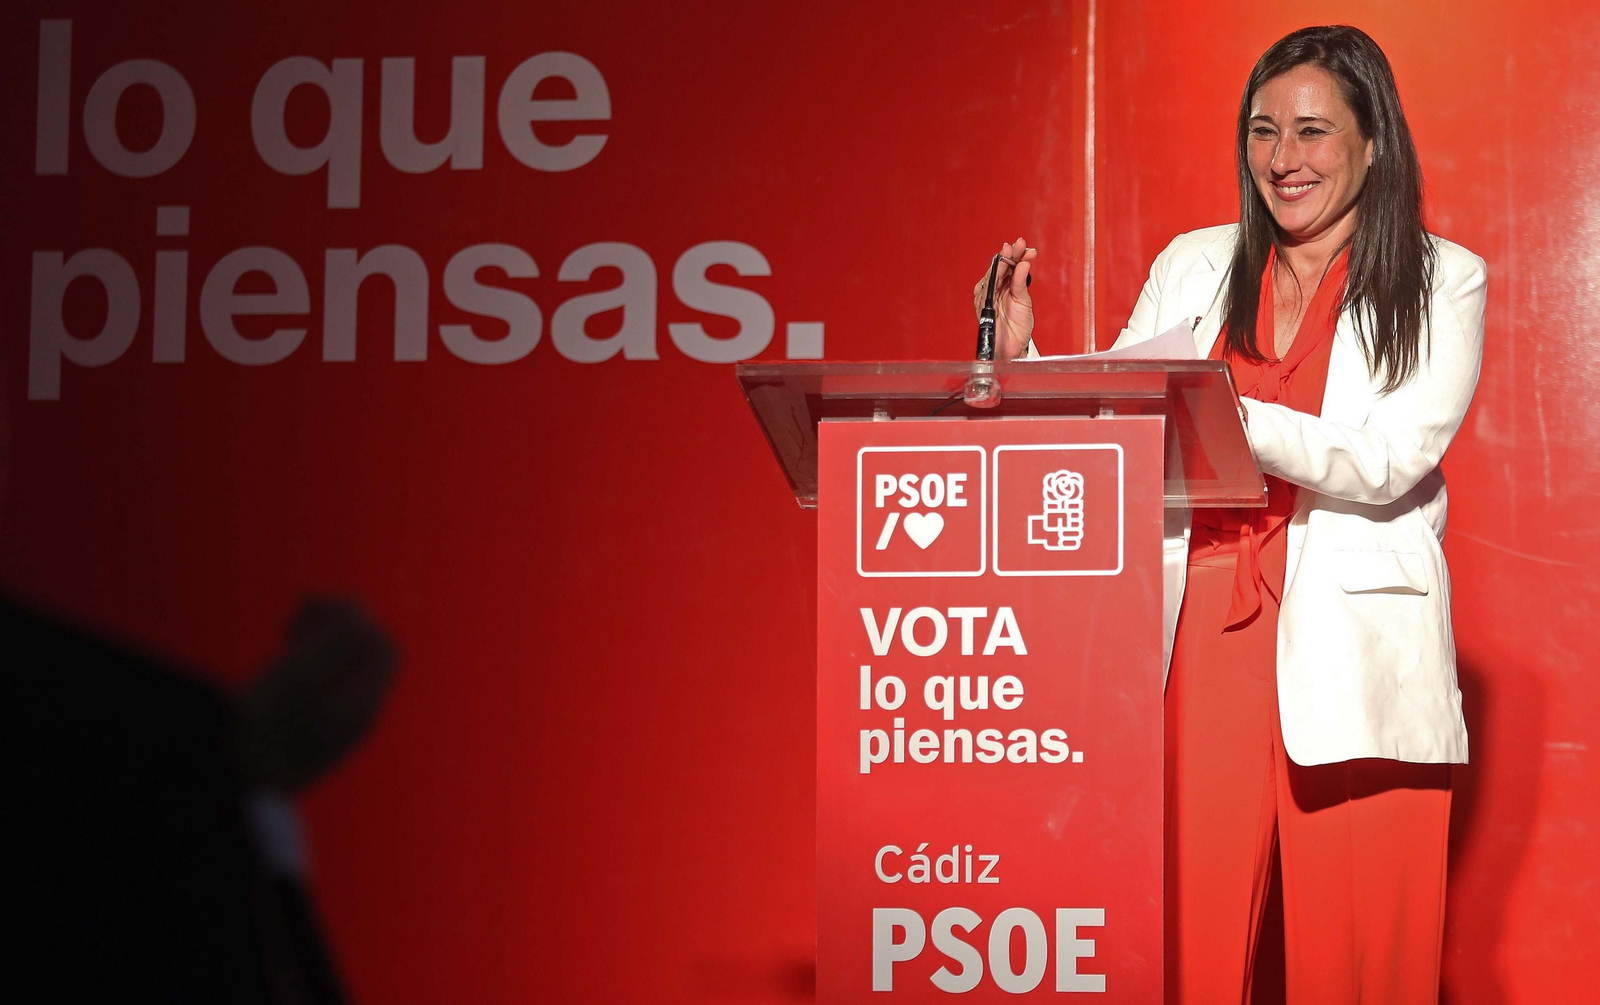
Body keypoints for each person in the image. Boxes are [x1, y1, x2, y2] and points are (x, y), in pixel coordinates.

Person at [976, 24, 1485, 1004]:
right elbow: (1125, 416)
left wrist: (1229, 417)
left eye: (1310, 132)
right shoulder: (1194, 263)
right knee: (1182, 955)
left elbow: (1391, 461)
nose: (1282, 160)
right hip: (1202, 633)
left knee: (1364, 969)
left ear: (1373, 141)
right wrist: (1023, 365)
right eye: (1262, 132)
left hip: (1356, 640)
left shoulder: (1440, 278)